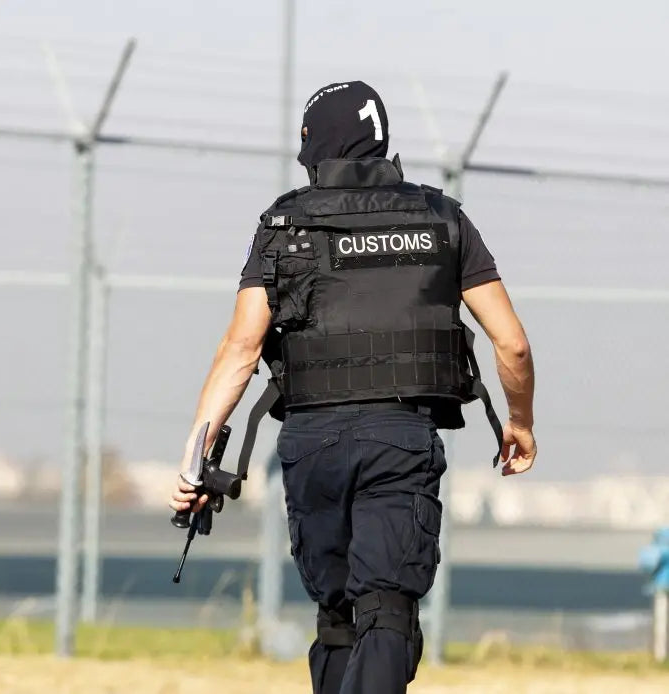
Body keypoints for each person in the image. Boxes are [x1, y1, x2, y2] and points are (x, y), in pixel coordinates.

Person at [168, 81, 536, 693]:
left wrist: (196, 460)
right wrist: (519, 423)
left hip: (310, 442)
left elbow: (241, 349)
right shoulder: (441, 217)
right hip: (400, 438)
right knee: (387, 609)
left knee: (338, 618)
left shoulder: (283, 223)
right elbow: (513, 344)